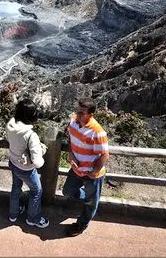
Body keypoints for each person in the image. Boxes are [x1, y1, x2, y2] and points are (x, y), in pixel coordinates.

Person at [62, 98, 109, 236]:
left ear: (90, 114)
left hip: (92, 174)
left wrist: (94, 172)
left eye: (82, 112)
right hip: (76, 169)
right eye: (77, 110)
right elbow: (70, 139)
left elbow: (104, 155)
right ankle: (87, 196)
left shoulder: (97, 132)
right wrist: (72, 156)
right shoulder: (73, 122)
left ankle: (81, 225)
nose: (78, 114)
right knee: (67, 192)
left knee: (91, 203)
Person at [6, 99, 49, 228]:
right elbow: (37, 162)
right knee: (36, 191)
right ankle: (33, 218)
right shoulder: (31, 135)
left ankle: (13, 214)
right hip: (26, 169)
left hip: (13, 163)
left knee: (15, 188)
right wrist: (43, 149)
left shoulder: (10, 126)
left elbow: (10, 140)